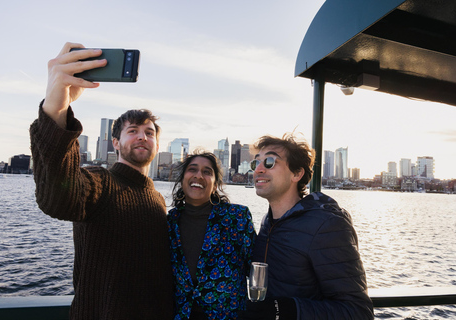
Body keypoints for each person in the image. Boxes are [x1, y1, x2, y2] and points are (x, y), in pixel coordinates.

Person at [29, 42, 174, 319]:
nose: (143, 136)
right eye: (133, 131)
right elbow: (57, 200)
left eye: (150, 132)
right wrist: (57, 103)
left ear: (157, 145)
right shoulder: (99, 182)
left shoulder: (157, 198)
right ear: (115, 143)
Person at [240, 134, 374, 320]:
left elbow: (358, 312)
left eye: (270, 161)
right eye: (256, 163)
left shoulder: (326, 225)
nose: (258, 170)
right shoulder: (267, 223)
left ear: (297, 173)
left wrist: (287, 310)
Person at [168, 150, 256, 320]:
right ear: (182, 179)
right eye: (192, 169)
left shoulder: (237, 218)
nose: (198, 175)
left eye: (207, 172)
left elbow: (256, 270)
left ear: (215, 185)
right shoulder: (170, 222)